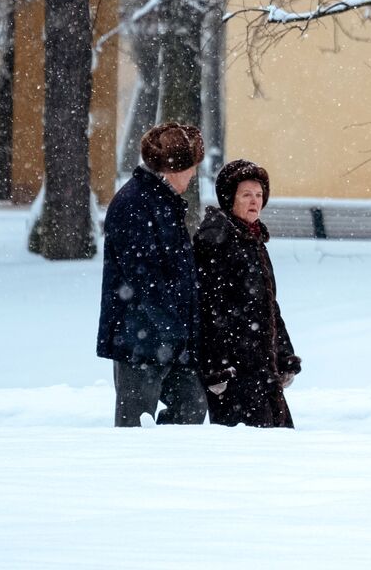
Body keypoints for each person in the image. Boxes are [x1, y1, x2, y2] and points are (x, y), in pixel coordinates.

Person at [96, 122, 208, 427]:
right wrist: (172, 327)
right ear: (174, 167)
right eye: (191, 166)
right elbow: (144, 280)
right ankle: (134, 471)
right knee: (136, 422)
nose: (194, 174)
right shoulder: (133, 204)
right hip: (140, 340)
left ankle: (169, 465)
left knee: (192, 404)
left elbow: (177, 274)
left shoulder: (165, 203)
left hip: (170, 339)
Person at [194, 159, 302, 427]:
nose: (255, 201)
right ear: (230, 198)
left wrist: (284, 355)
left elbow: (269, 307)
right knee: (247, 454)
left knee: (278, 444)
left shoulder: (253, 241)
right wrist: (217, 369)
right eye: (246, 195)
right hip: (235, 373)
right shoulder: (216, 240)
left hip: (262, 368)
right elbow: (210, 308)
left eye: (259, 195)